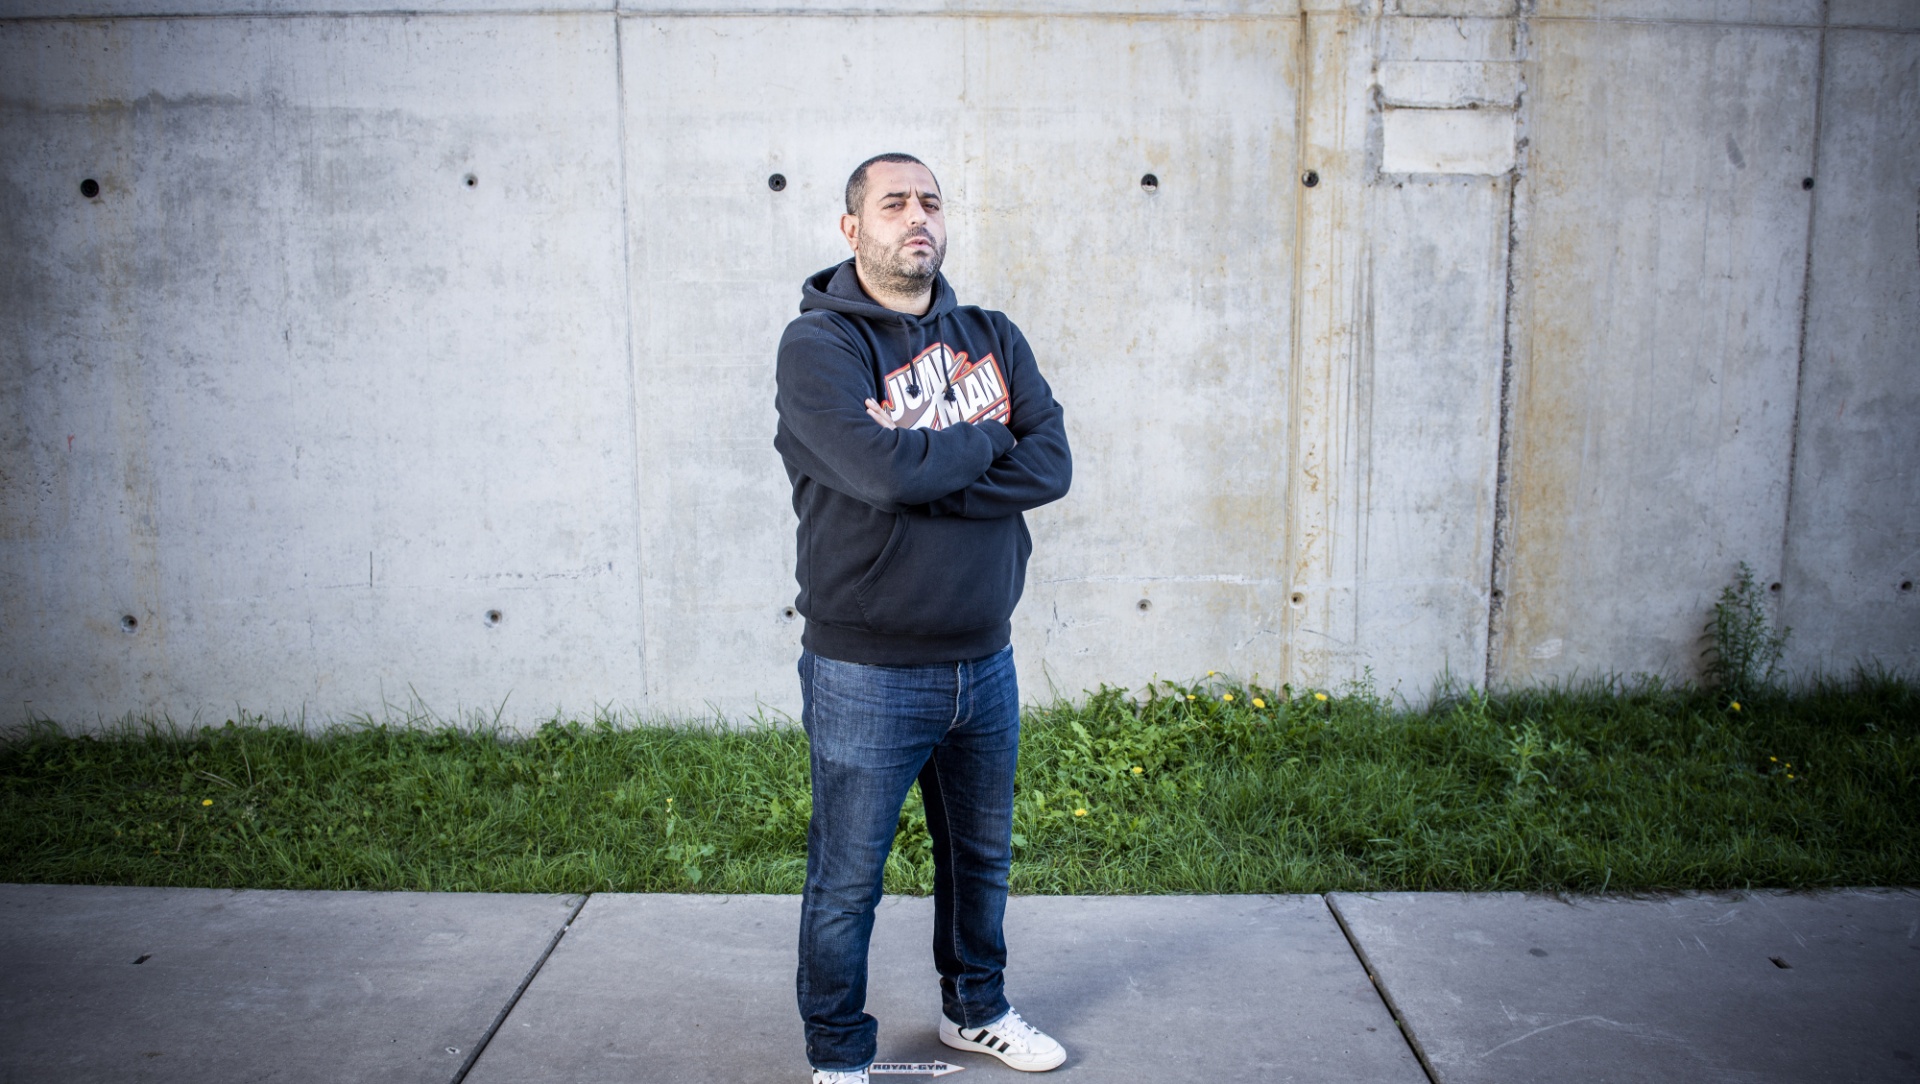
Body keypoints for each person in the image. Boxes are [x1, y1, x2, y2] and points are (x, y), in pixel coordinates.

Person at [773, 153, 1074, 1084]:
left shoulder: (993, 335)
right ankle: (837, 1055)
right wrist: (987, 438)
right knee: (847, 880)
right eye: (894, 202)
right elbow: (880, 473)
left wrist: (927, 466)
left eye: (931, 202)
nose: (917, 217)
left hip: (985, 659)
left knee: (981, 861)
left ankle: (976, 1011)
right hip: (867, 669)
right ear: (851, 228)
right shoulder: (818, 346)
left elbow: (1051, 465)